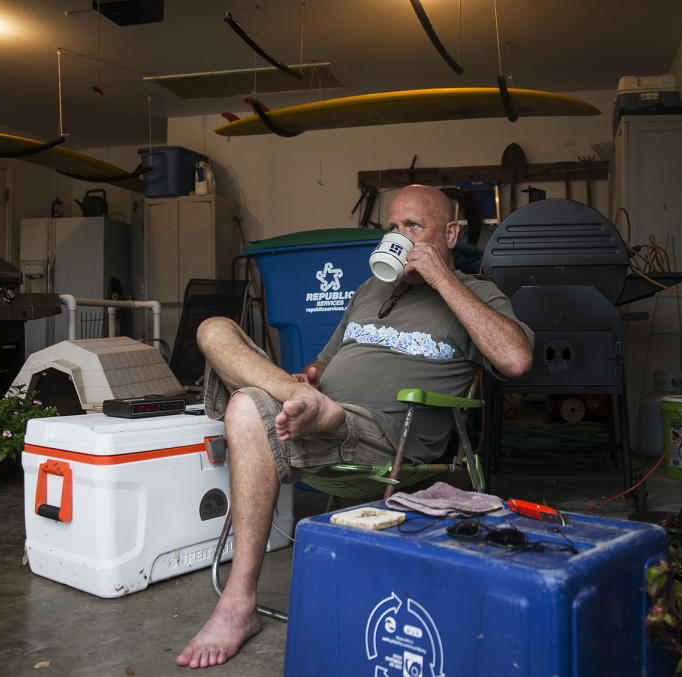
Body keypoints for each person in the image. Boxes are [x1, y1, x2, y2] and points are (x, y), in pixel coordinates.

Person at [176, 184, 534, 669]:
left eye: (413, 227)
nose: (398, 237)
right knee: (213, 329)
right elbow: (323, 366)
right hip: (314, 411)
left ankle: (237, 604)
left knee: (244, 408)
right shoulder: (370, 290)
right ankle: (299, 399)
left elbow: (515, 360)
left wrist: (443, 278)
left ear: (449, 234)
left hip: (384, 436)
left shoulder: (478, 294)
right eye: (391, 227)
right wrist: (304, 384)